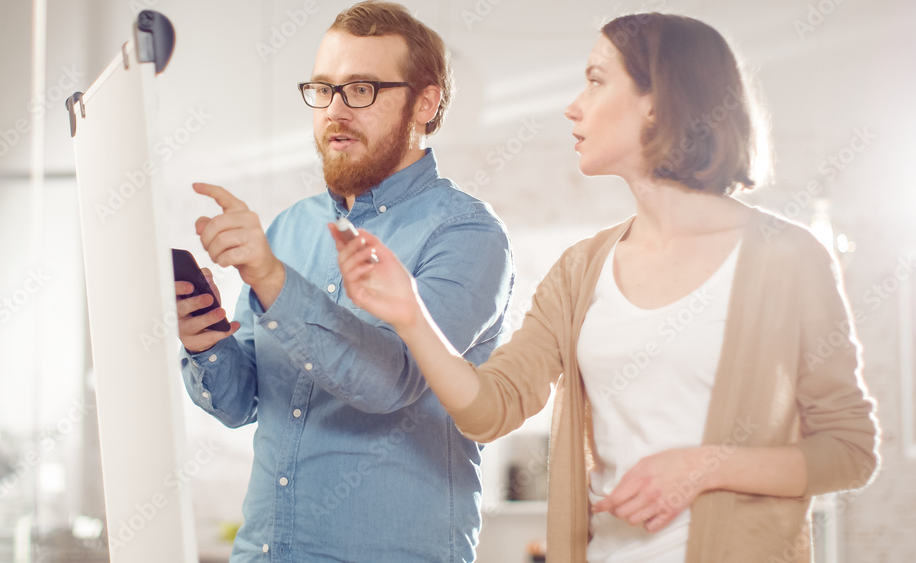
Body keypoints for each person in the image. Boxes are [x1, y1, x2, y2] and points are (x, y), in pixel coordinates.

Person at [336, 12, 880, 563]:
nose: (574, 105)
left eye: (596, 80)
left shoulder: (787, 259)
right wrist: (410, 314)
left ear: (657, 99)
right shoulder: (581, 270)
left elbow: (850, 451)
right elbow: (490, 408)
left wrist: (704, 467)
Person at [175, 2, 514, 561]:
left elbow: (393, 382)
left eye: (361, 89)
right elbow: (240, 402)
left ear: (424, 104)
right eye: (324, 89)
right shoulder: (289, 228)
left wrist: (271, 278)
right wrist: (204, 341)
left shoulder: (468, 235)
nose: (335, 109)